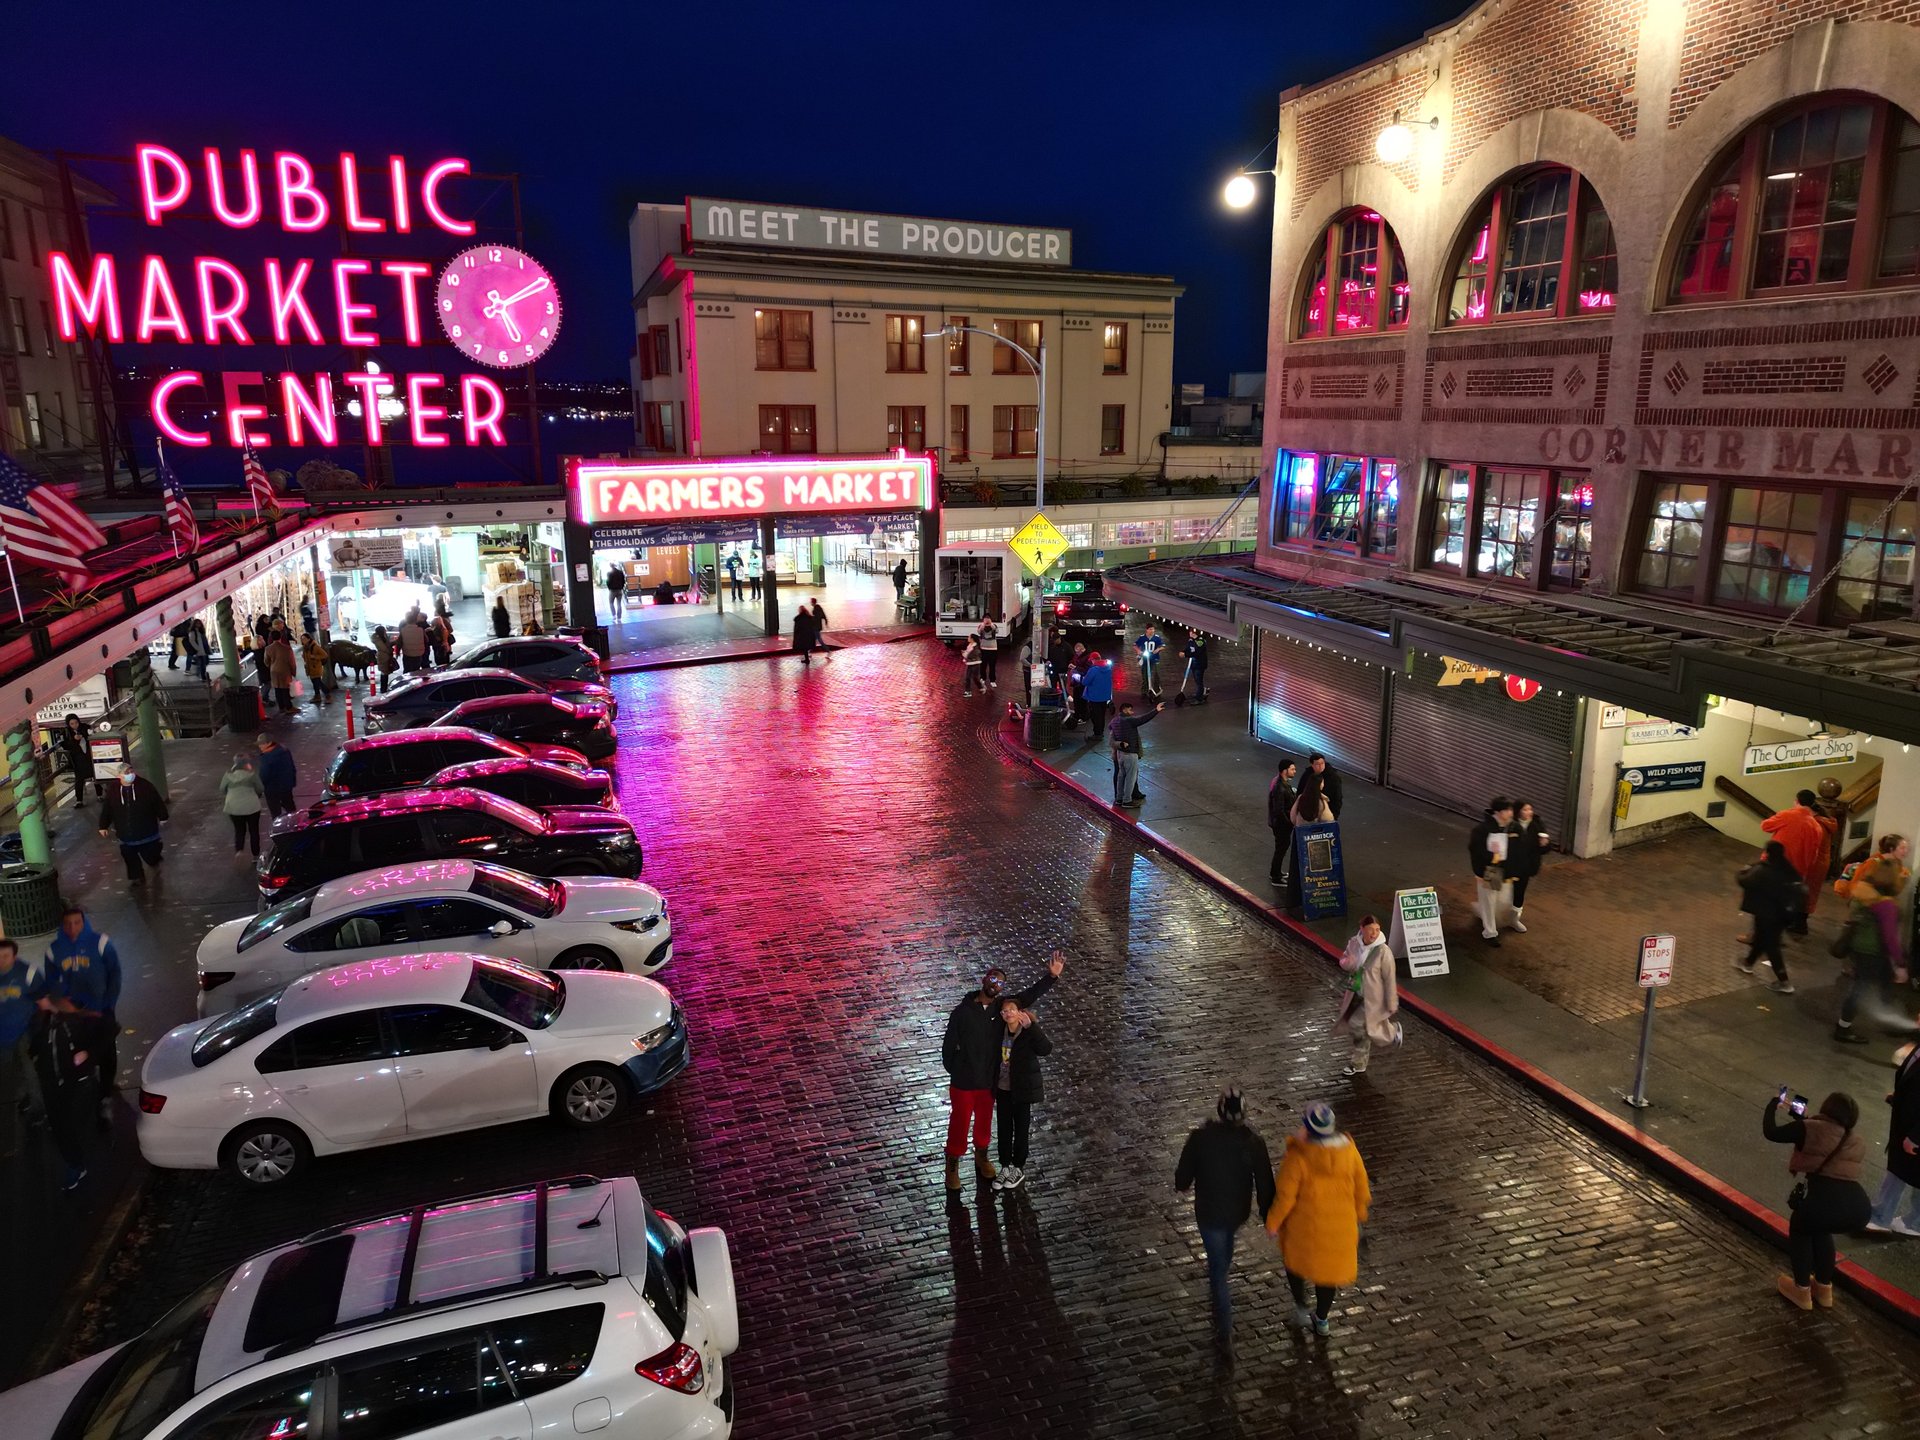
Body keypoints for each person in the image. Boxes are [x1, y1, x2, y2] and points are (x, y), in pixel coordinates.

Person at [942, 953, 1064, 1190]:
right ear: (984, 979)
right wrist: (957, 1071)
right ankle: (952, 1165)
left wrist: (1051, 977)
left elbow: (1028, 996)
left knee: (985, 1125)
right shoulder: (962, 1012)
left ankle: (982, 1157)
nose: (996, 985)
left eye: (1000, 983)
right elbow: (948, 1048)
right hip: (964, 1083)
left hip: (988, 1083)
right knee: (959, 1124)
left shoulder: (1001, 1008)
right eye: (993, 979)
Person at [1174, 1088, 1276, 1349]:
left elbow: (1182, 1179)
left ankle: (1224, 1328)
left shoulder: (1200, 1138)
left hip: (1208, 1214)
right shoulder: (1254, 1143)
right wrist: (1268, 1216)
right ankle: (1221, 1308)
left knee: (1218, 1270)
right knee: (1223, 1257)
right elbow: (1265, 1184)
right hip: (1236, 1213)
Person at [1265, 1101, 1372, 1337]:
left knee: (1295, 1266)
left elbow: (1285, 1197)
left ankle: (1301, 1309)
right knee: (1328, 1276)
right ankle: (1322, 1319)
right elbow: (1361, 1188)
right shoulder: (1349, 1151)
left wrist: (1273, 1223)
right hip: (1340, 1228)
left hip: (1304, 1230)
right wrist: (1359, 1215)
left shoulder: (1298, 1157)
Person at [1764, 1090, 1869, 1309]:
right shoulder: (1855, 1139)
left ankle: (1802, 1291)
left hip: (1823, 1200)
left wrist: (1773, 1104)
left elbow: (1771, 1132)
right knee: (1821, 1231)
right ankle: (1823, 1290)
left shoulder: (1809, 1128)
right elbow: (1826, 1139)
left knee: (1801, 1230)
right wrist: (1805, 1121)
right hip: (1858, 1207)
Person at [44, 906, 121, 1125]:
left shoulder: (100, 943)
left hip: (102, 1009)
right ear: (62, 925)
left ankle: (105, 1094)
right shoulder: (54, 951)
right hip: (75, 1014)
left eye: (77, 922)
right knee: (82, 1049)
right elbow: (52, 982)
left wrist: (109, 1003)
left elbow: (114, 972)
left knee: (106, 1051)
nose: (72, 928)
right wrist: (66, 1004)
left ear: (83, 922)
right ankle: (92, 1085)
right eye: (68, 923)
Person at [1834, 840, 1909, 1046]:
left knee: (1882, 983)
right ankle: (1843, 1027)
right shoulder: (1886, 904)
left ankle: (1890, 1020)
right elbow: (1890, 937)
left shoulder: (1863, 892)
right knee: (1861, 988)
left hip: (1858, 946)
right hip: (1873, 950)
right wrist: (1900, 964)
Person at [992, 997, 1052, 1192]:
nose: (1008, 1013)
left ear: (1020, 1011)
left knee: (1021, 1127)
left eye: (1011, 1009)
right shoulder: (997, 1032)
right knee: (1004, 1128)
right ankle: (1005, 1166)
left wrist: (1032, 1027)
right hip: (1002, 1088)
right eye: (1004, 1011)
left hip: (1022, 1089)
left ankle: (1018, 1167)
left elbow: (1046, 1049)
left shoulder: (1027, 1032)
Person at [0, 937, 51, 1162]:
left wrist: (40, 1028)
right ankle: (26, 1099)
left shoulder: (27, 973)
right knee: (12, 1073)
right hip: (3, 1036)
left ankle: (38, 1109)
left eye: (6, 956)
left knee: (30, 1071)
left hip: (24, 1032)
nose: (2, 961)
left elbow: (43, 1003)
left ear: (15, 955)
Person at [1736, 840, 1807, 995]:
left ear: (1768, 852)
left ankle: (1784, 982)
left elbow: (1745, 880)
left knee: (1771, 946)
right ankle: (1748, 963)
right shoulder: (1788, 869)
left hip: (1766, 914)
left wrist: (1744, 870)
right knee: (1762, 939)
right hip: (1783, 915)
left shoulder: (1764, 870)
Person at [1761, 790, 1838, 934]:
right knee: (1806, 894)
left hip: (1803, 864)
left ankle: (1785, 925)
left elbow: (1766, 826)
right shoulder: (1821, 824)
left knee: (1788, 894)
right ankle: (1795, 924)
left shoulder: (1807, 822)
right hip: (1815, 864)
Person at [1337, 915, 1402, 1076]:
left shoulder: (1383, 952)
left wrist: (1391, 1002)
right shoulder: (1354, 944)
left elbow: (1389, 978)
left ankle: (1358, 1062)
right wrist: (1349, 962)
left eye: (1377, 930)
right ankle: (1392, 1033)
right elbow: (1344, 960)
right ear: (1362, 929)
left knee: (1361, 1027)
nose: (1374, 933)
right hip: (1355, 993)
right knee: (1359, 1026)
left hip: (1374, 998)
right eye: (1370, 930)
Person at [1843, 834, 1912, 983]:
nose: (1906, 851)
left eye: (1906, 848)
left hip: (1873, 930)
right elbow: (1857, 884)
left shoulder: (1898, 865)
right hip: (1869, 917)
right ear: (1892, 848)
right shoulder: (1875, 863)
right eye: (1902, 847)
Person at [1868, 1041, 1920, 1235]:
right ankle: (1912, 1221)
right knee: (1903, 1171)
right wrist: (1899, 1097)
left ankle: (1883, 1216)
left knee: (1901, 1172)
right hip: (1907, 1125)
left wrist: (1915, 1137)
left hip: (1913, 1131)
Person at [98, 769, 168, 884]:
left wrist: (163, 816)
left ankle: (153, 858)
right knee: (129, 854)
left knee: (150, 853)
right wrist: (103, 826)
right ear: (119, 776)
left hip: (147, 830)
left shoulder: (145, 786)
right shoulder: (113, 790)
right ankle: (136, 876)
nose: (130, 775)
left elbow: (156, 802)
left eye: (131, 771)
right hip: (125, 831)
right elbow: (107, 809)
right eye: (126, 773)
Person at [1284, 771, 1336, 916]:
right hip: (1316, 842)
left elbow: (1293, 818)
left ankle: (1294, 899)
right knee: (1316, 873)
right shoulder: (1321, 802)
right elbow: (1328, 820)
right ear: (1319, 785)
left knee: (1297, 870)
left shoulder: (1301, 798)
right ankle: (1314, 900)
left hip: (1299, 838)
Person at [1468, 797, 1516, 945]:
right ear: (1498, 812)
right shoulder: (1482, 830)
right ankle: (1490, 932)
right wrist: (1482, 869)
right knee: (1489, 900)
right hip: (1490, 870)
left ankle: (1481, 911)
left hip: (1506, 869)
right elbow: (1475, 850)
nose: (1510, 813)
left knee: (1504, 900)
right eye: (1507, 810)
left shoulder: (1512, 827)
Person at [1504, 800, 1549, 934]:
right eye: (1525, 810)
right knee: (1503, 892)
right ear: (1518, 811)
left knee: (1519, 892)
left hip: (1526, 866)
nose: (1529, 812)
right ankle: (1496, 916)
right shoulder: (1511, 824)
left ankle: (1514, 920)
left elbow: (1544, 849)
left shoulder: (1537, 825)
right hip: (1510, 864)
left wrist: (1544, 844)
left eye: (1530, 809)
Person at [1109, 701, 1164, 808]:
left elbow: (1111, 739)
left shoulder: (1114, 721)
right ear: (1124, 710)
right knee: (1131, 778)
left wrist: (1119, 744)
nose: (1132, 712)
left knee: (1121, 776)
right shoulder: (1128, 720)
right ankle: (1127, 800)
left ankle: (1119, 798)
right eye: (1130, 710)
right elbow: (1142, 719)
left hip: (1120, 754)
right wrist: (1156, 710)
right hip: (1130, 753)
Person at [222, 752, 266, 858]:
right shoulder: (252, 775)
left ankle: (239, 851)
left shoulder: (228, 775)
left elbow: (222, 789)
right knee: (254, 830)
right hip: (252, 807)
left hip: (233, 807)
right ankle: (255, 855)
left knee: (239, 830)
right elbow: (260, 788)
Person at [1268, 758, 1298, 888]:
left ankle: (1276, 872)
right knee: (1281, 848)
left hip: (1282, 824)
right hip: (1281, 825)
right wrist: (1289, 822)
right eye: (1292, 769)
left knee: (1281, 848)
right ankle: (1276, 877)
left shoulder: (1283, 784)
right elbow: (1279, 810)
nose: (1294, 771)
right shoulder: (1280, 787)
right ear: (1284, 771)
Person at [58, 713, 96, 810]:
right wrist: (74, 740)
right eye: (72, 723)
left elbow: (92, 734)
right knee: (79, 779)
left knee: (95, 775)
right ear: (68, 724)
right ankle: (79, 800)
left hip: (89, 754)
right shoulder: (65, 733)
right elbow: (65, 745)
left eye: (76, 722)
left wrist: (84, 735)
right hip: (77, 758)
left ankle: (99, 794)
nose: (75, 725)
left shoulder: (85, 727)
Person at [255, 733, 297, 819]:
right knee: (290, 807)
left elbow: (264, 775)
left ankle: (278, 829)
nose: (260, 746)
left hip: (272, 789)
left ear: (269, 743)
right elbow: (292, 767)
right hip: (286, 785)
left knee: (275, 812)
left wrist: (258, 790)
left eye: (262, 743)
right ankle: (295, 823)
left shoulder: (267, 757)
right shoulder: (284, 751)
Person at [1081, 651, 1114, 740]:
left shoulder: (1093, 670)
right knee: (1102, 715)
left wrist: (1081, 678)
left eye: (1091, 660)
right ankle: (1101, 732)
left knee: (1095, 716)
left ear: (1093, 660)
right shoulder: (1108, 668)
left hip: (1094, 696)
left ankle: (1097, 734)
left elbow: (1085, 682)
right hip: (1104, 696)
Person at [262, 628, 297, 713]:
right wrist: (293, 671)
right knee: (285, 689)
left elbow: (266, 661)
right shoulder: (287, 648)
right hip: (285, 671)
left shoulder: (268, 648)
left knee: (277, 689)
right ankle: (289, 707)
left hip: (274, 671)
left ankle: (281, 707)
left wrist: (271, 665)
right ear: (280, 637)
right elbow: (292, 662)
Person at [299, 631, 335, 706]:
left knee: (318, 682)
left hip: (316, 668)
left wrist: (315, 657)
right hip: (310, 668)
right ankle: (317, 696)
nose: (303, 640)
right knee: (314, 683)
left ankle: (328, 695)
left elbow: (325, 655)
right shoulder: (305, 647)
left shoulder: (315, 647)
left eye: (305, 639)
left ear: (309, 639)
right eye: (302, 639)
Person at [1307, 753, 1344, 818]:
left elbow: (1338, 798)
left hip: (1327, 813)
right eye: (1317, 764)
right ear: (1312, 765)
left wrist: (1334, 816)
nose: (1321, 766)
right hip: (1310, 813)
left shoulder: (1333, 778)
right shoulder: (1307, 775)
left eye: (1322, 763)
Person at [1134, 624, 1166, 698]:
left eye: (1153, 629)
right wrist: (1138, 651)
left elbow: (1163, 646)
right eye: (1150, 629)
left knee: (1155, 674)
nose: (1152, 631)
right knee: (1145, 675)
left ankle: (1157, 690)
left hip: (1154, 659)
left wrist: (1158, 649)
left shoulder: (1157, 638)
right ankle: (1144, 691)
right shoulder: (1142, 637)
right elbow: (1135, 645)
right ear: (1147, 630)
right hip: (1145, 659)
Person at [1181, 631, 1210, 704]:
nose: (1189, 633)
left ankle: (1199, 698)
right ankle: (1200, 693)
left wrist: (1185, 655)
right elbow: (1188, 648)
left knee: (1199, 681)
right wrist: (1183, 652)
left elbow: (1197, 652)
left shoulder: (1200, 641)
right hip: (1194, 664)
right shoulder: (1191, 640)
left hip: (1199, 665)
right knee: (1197, 680)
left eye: (1191, 632)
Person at [397, 609, 430, 674]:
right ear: (415, 620)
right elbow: (427, 640)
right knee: (416, 670)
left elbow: (399, 642)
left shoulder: (403, 630)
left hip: (407, 653)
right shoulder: (421, 629)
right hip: (419, 654)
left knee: (407, 671)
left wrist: (397, 652)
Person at [372, 625, 397, 692]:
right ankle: (383, 689)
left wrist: (394, 642)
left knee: (385, 672)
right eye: (384, 630)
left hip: (386, 656)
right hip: (383, 657)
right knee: (384, 672)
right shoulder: (378, 639)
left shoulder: (383, 637)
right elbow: (383, 648)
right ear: (382, 631)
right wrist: (390, 650)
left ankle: (384, 688)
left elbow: (387, 645)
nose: (386, 631)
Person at [974, 618, 999, 687]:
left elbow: (997, 631)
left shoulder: (994, 626)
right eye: (986, 619)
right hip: (983, 648)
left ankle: (992, 680)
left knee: (992, 665)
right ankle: (983, 678)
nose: (987, 620)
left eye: (988, 619)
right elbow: (979, 632)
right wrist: (983, 625)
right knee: (983, 665)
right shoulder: (981, 626)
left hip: (993, 649)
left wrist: (991, 624)